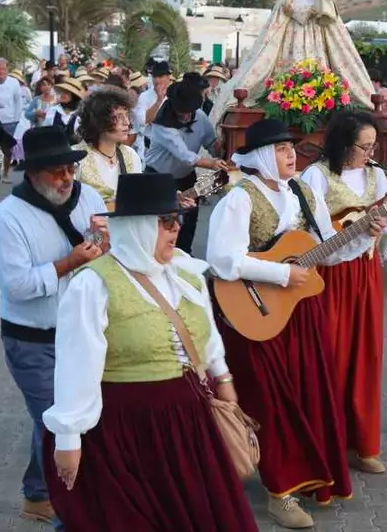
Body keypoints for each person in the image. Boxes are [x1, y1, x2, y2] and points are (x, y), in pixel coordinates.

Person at [41, 173, 256, 531]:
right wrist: (68, 439)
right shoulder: (93, 284)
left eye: (178, 220)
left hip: (188, 425)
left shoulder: (184, 274)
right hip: (124, 431)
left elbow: (208, 335)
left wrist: (224, 378)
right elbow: (77, 366)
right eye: (165, 221)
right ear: (137, 226)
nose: (175, 229)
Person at [206, 118, 385, 529]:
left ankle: (300, 475)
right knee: (272, 400)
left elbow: (327, 250)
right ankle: (278, 491)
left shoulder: (303, 192)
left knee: (306, 394)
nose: (292, 157)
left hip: (300, 313)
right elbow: (222, 260)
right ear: (265, 155)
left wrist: (363, 234)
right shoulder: (240, 198)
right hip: (255, 314)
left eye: (293, 150)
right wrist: (282, 274)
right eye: (284, 150)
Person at [0, 126, 108, 526]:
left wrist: (107, 241)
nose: (67, 177)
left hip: (83, 333)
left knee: (58, 422)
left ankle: (37, 494)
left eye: (70, 168)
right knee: (58, 426)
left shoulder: (87, 196)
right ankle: (68, 515)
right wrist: (68, 263)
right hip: (32, 341)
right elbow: (17, 286)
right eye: (56, 171)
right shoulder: (8, 218)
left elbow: (107, 248)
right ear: (33, 173)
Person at [299, 111, 387, 475]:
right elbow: (317, 233)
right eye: (363, 146)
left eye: (373, 146)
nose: (370, 153)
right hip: (331, 274)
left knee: (365, 355)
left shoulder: (377, 175)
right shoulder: (316, 176)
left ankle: (362, 442)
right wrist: (359, 234)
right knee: (332, 355)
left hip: (366, 272)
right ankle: (326, 442)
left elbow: (386, 221)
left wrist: (381, 227)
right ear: (342, 144)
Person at [207, 0, 375, 125]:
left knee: (319, 59)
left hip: (316, 30)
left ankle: (318, 91)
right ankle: (290, 90)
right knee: (292, 60)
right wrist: (306, 10)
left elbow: (328, 0)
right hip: (296, 29)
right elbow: (288, 6)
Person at [145, 81, 228, 254]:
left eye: (189, 111)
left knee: (190, 220)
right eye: (182, 112)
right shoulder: (161, 125)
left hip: (187, 177)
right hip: (158, 179)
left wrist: (223, 151)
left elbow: (211, 142)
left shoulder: (200, 116)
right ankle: (160, 258)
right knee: (164, 226)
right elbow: (185, 155)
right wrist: (212, 164)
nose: (186, 116)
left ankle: (185, 258)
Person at [74, 87, 143, 209]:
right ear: (99, 121)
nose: (127, 122)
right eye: (119, 116)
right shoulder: (77, 157)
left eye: (127, 115)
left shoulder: (130, 155)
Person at [132, 60, 172, 156]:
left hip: (171, 145)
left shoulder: (175, 95)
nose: (157, 80)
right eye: (155, 77)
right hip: (150, 145)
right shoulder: (144, 96)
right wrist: (158, 101)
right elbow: (142, 120)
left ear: (168, 77)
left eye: (160, 76)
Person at [46, 79, 85, 144]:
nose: (63, 95)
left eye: (66, 93)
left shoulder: (79, 114)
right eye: (62, 92)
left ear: (74, 96)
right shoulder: (53, 110)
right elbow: (45, 131)